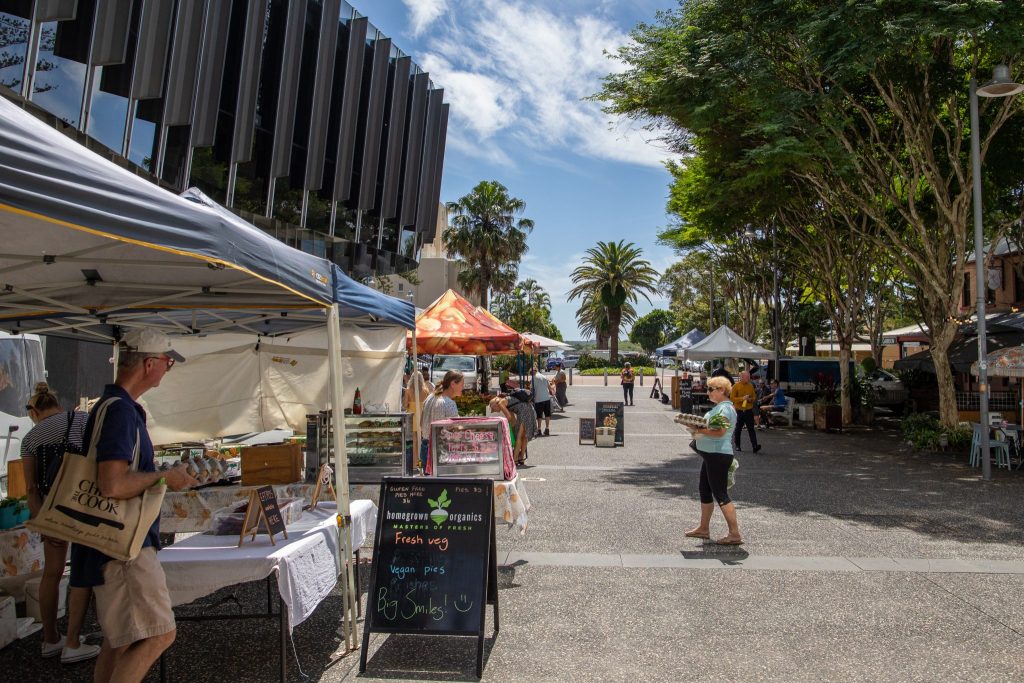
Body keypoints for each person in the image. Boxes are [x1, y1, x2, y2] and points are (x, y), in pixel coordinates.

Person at [70, 329, 198, 683]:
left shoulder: (111, 407)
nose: (167, 370)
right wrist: (164, 478)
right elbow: (111, 483)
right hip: (124, 545)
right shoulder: (121, 412)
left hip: (110, 542)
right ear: (149, 363)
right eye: (167, 363)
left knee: (119, 641)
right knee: (158, 634)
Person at [21, 382, 101, 664]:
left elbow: (30, 488)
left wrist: (42, 522)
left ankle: (50, 639)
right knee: (82, 571)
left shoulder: (29, 439)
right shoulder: (80, 419)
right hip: (81, 503)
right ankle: (73, 640)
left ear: (34, 411)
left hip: (51, 509)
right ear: (55, 402)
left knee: (52, 574)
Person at [684, 375, 743, 545]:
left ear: (721, 390)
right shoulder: (720, 407)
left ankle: (734, 533)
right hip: (711, 455)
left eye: (710, 389)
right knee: (705, 489)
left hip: (718, 454)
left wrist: (699, 430)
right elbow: (713, 429)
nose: (707, 392)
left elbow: (720, 432)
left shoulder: (725, 409)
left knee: (720, 493)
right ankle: (703, 528)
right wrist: (697, 429)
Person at [420, 370, 464, 470]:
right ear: (453, 384)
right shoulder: (449, 403)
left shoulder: (430, 397)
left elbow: (421, 423)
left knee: (426, 483)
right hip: (440, 451)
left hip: (425, 447)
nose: (463, 387)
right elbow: (456, 431)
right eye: (462, 384)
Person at [504, 377, 537, 464]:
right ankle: (521, 458)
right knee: (524, 436)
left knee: (519, 436)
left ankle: (515, 459)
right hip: (530, 410)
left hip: (524, 413)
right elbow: (513, 420)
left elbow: (510, 418)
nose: (494, 410)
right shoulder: (512, 399)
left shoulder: (503, 402)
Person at [730, 370, 761, 453]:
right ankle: (737, 446)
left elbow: (754, 397)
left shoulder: (750, 386)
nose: (749, 378)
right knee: (738, 428)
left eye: (749, 377)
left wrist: (750, 399)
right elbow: (732, 398)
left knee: (751, 429)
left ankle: (755, 446)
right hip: (739, 410)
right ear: (742, 377)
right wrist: (742, 399)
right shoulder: (736, 386)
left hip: (748, 410)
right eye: (747, 377)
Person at [530, 366, 552, 436]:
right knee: (547, 414)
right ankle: (547, 428)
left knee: (539, 416)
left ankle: (539, 429)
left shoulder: (533, 378)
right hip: (546, 398)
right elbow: (549, 387)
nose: (531, 374)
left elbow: (531, 390)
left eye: (531, 372)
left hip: (538, 399)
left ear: (533, 371)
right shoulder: (544, 376)